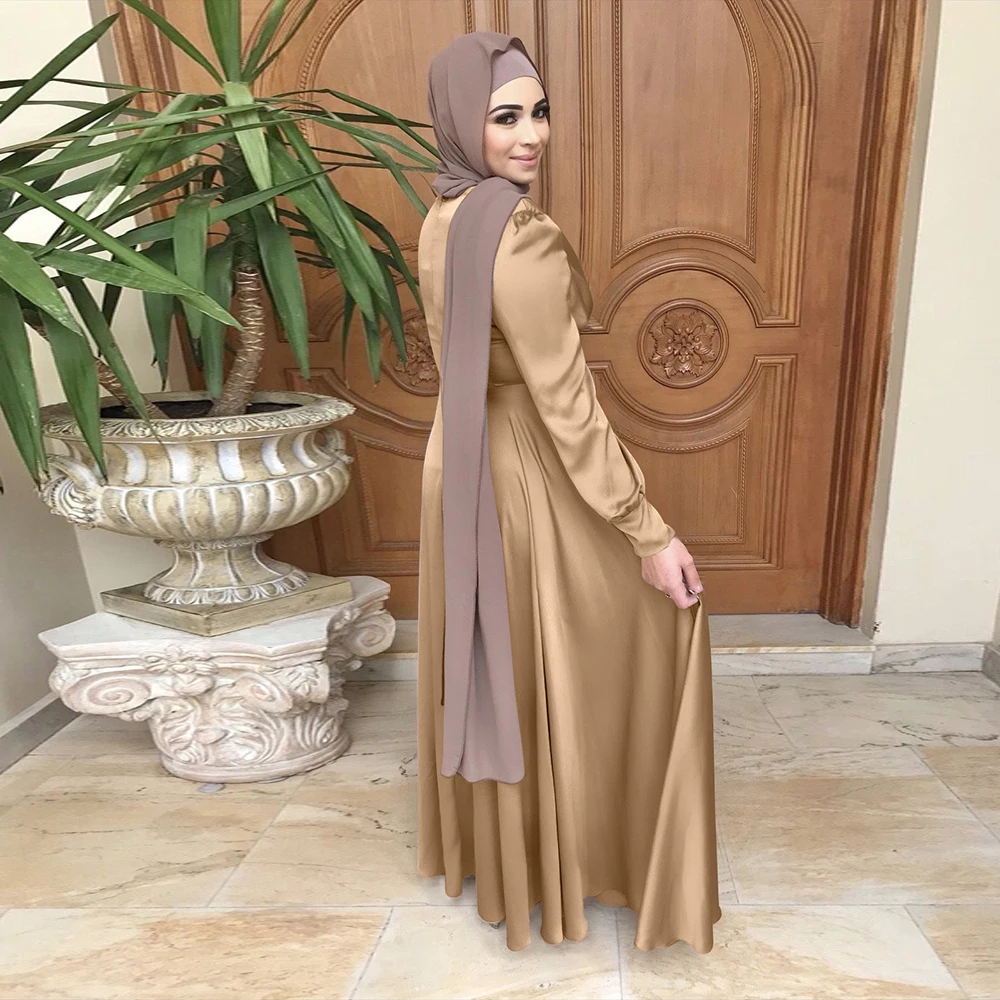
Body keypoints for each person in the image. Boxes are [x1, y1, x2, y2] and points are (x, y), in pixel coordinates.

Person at [415, 31, 721, 954]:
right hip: (519, 465)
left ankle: (520, 854)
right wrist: (648, 531)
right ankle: (591, 851)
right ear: (461, 122)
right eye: (505, 116)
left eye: (540, 113)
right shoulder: (518, 232)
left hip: (456, 460)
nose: (532, 135)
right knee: (638, 622)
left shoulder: (444, 214)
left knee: (507, 658)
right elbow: (568, 405)